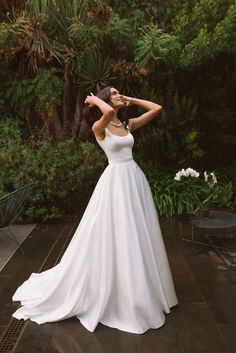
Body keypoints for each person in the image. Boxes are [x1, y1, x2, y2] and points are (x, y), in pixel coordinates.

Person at [12, 86, 178, 334]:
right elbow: (109, 111)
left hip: (133, 179)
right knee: (119, 231)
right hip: (115, 183)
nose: (119, 95)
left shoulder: (127, 125)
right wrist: (96, 101)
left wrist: (129, 99)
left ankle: (142, 287)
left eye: (120, 92)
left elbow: (157, 108)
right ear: (103, 101)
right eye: (114, 92)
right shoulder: (99, 128)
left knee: (138, 232)